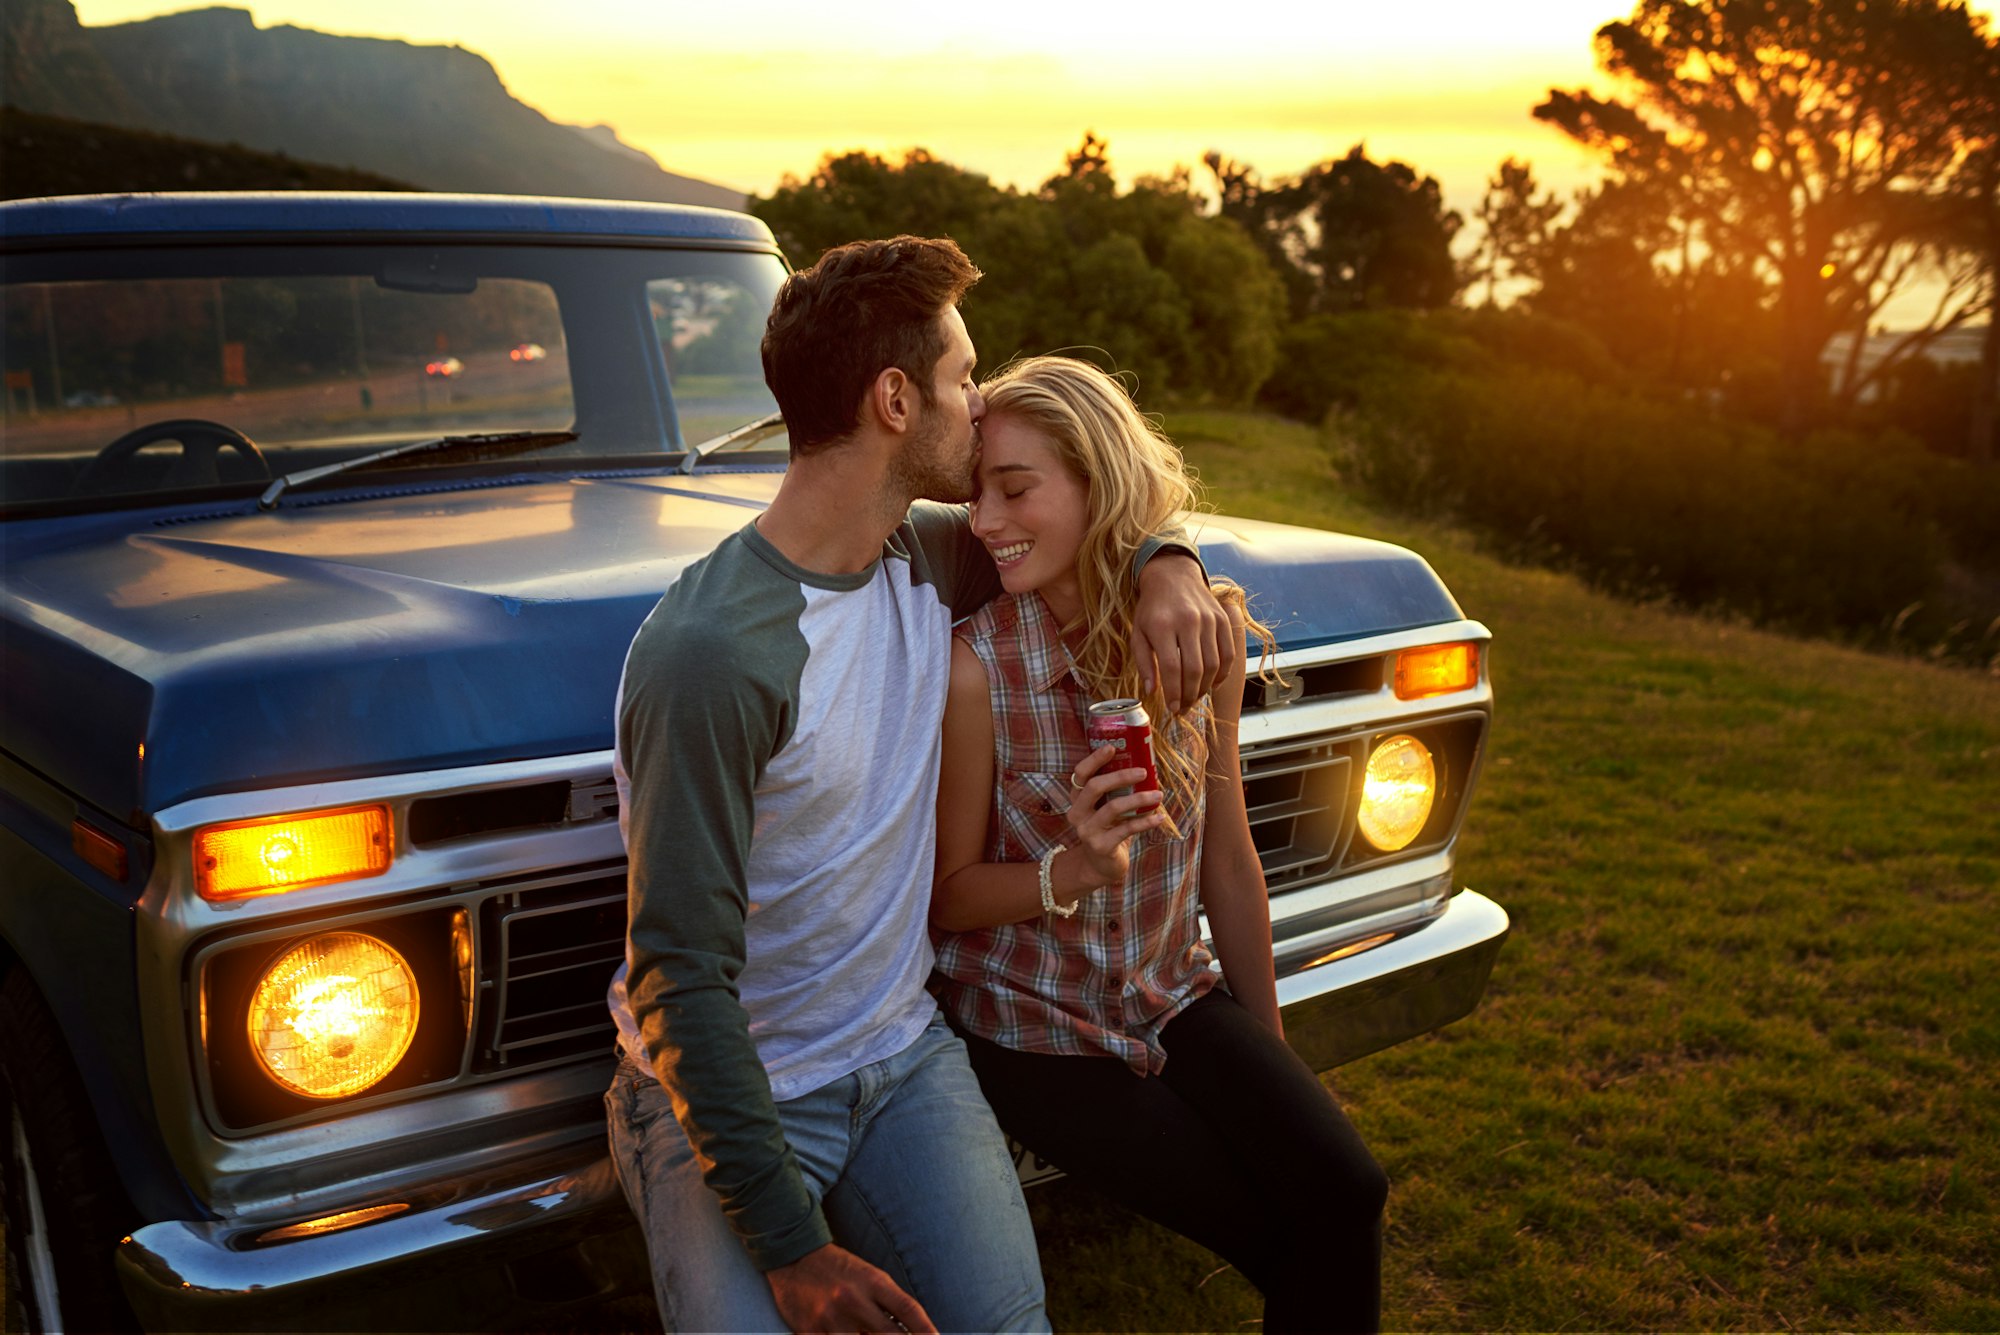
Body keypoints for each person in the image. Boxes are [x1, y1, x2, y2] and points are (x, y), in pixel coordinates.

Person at [603, 239, 1235, 1334]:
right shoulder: (712, 652)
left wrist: (1166, 563)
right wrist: (792, 1252)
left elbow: (1097, 513)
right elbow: (679, 978)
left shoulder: (923, 553)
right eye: (961, 378)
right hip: (720, 1096)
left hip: (901, 1058)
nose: (980, 403)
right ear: (895, 401)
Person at [930, 356, 1390, 1334]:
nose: (983, 522)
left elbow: (1226, 857)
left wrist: (1268, 1061)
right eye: (978, 493)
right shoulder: (977, 672)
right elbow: (947, 898)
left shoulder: (1198, 635)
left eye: (1014, 490)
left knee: (1344, 1190)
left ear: (1098, 486)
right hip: (1033, 1030)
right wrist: (1073, 869)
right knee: (1279, 1236)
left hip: (1170, 989)